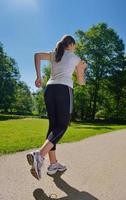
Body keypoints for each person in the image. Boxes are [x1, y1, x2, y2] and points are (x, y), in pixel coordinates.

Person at [26, 34, 87, 180]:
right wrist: (83, 68)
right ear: (71, 45)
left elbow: (37, 55)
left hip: (49, 89)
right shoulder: (75, 58)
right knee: (63, 125)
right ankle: (39, 155)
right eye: (75, 46)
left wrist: (38, 76)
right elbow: (81, 82)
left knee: (53, 126)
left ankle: (53, 163)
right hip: (64, 90)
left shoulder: (54, 54)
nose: (74, 48)